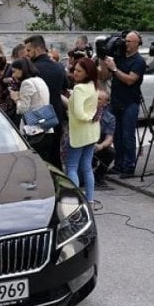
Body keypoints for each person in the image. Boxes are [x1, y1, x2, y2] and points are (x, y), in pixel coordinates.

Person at [100, 31, 146, 178]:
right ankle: (119, 164)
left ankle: (129, 166)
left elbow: (130, 80)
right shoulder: (119, 57)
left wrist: (114, 69)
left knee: (128, 135)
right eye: (125, 41)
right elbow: (105, 76)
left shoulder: (139, 61)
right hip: (116, 100)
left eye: (129, 41)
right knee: (117, 135)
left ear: (137, 43)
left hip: (130, 102)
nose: (126, 43)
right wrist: (103, 58)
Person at [24, 34, 69, 169]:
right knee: (55, 157)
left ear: (37, 49)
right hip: (56, 116)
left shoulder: (32, 70)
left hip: (38, 119)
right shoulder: (59, 67)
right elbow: (65, 86)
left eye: (28, 50)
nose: (27, 54)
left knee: (38, 159)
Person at [63, 57, 100, 205]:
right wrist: (91, 117)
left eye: (79, 70)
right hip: (92, 133)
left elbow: (79, 113)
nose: (75, 73)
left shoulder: (79, 89)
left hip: (79, 133)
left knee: (72, 167)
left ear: (87, 73)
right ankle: (90, 199)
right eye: (74, 70)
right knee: (86, 166)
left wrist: (88, 117)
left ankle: (76, 201)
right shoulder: (93, 85)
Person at [9, 57, 55, 163]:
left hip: (34, 132)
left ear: (21, 70)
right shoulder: (40, 80)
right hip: (47, 127)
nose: (13, 75)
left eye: (14, 71)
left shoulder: (27, 83)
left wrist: (15, 98)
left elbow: (22, 109)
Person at [93, 88, 116, 188]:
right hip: (85, 144)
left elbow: (109, 138)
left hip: (98, 144)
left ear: (106, 103)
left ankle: (99, 175)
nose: (95, 101)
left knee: (110, 152)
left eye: (98, 99)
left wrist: (100, 146)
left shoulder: (110, 118)